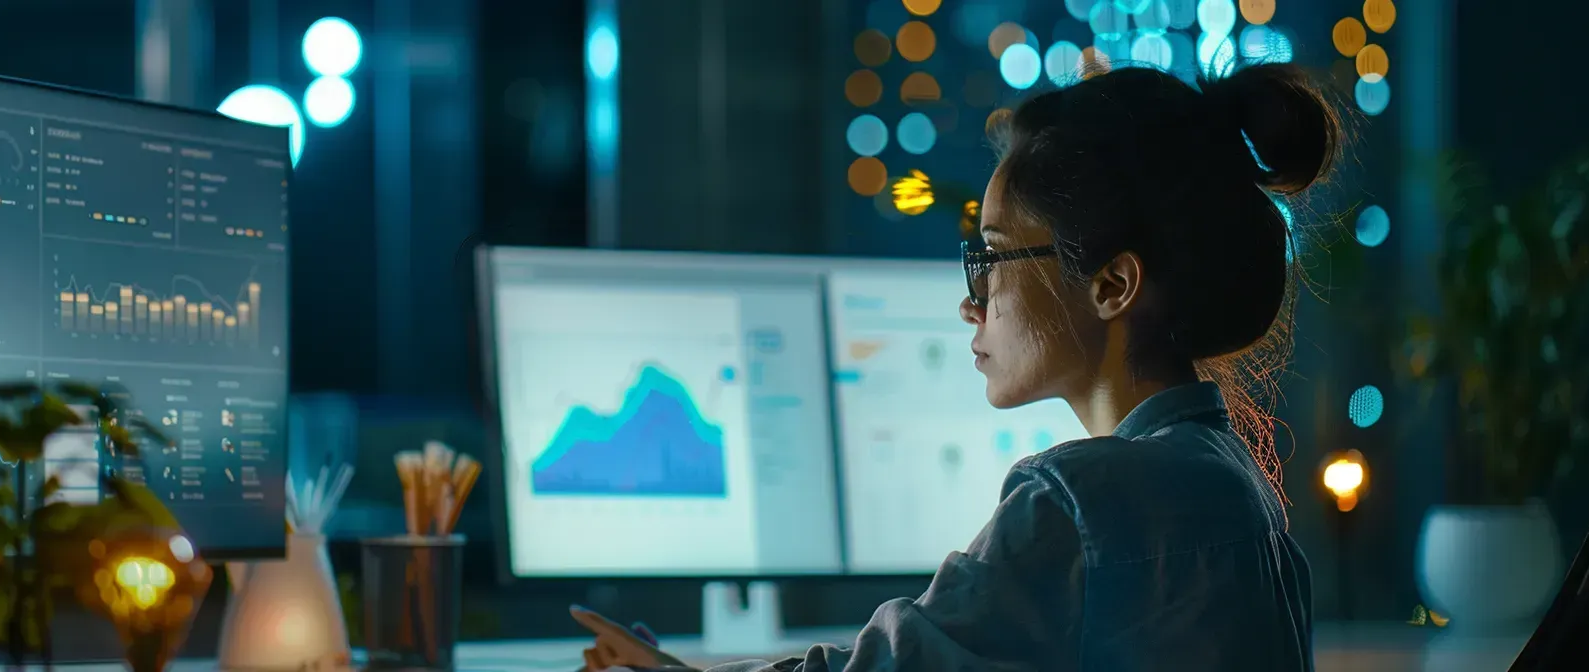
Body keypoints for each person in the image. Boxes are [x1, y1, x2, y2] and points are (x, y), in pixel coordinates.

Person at [572, 60, 1342, 672]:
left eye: (995, 257)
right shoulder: (1241, 489)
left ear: (1113, 285)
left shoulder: (1075, 501)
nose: (971, 302)